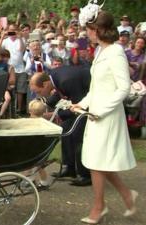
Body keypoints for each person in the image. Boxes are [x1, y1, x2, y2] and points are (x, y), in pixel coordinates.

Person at [72, 5, 137, 224]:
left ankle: (99, 206)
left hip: (107, 115)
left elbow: (124, 87)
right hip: (96, 113)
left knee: (97, 161)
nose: (87, 33)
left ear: (99, 29)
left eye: (89, 29)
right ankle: (126, 195)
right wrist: (81, 104)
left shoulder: (116, 52)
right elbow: (96, 88)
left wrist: (100, 109)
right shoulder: (101, 51)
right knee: (98, 160)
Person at [30, 67, 91, 187]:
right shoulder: (54, 77)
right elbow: (60, 92)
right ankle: (70, 168)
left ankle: (85, 175)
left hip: (87, 103)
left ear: (45, 84)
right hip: (78, 100)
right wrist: (45, 104)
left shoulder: (67, 80)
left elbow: (79, 105)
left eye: (38, 92)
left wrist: (56, 114)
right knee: (65, 129)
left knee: (78, 136)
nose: (38, 94)